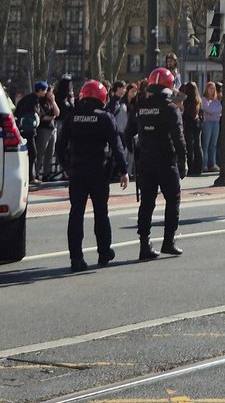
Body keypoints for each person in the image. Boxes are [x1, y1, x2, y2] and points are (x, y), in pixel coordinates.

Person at [57, 79, 129, 272]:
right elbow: (117, 147)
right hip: (99, 170)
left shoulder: (73, 116)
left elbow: (60, 146)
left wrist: (66, 166)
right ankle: (104, 252)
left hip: (77, 171)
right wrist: (123, 171)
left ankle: (76, 258)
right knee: (101, 213)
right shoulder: (105, 118)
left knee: (76, 214)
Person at [131, 67, 187, 260]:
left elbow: (129, 132)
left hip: (146, 160)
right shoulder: (171, 108)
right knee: (173, 200)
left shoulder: (142, 106)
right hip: (166, 160)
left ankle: (144, 245)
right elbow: (178, 137)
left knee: (147, 203)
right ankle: (168, 241)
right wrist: (183, 159)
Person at [34, 82, 60, 182]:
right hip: (43, 129)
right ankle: (36, 173)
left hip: (52, 128)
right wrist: (51, 117)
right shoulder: (40, 101)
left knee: (50, 151)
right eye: (50, 92)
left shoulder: (50, 101)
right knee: (41, 151)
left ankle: (47, 173)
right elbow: (43, 117)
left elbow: (57, 113)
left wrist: (53, 101)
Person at [180, 81, 203, 176]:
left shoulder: (186, 100)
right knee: (198, 145)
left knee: (189, 146)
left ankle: (191, 167)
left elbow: (183, 112)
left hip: (188, 123)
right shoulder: (198, 100)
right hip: (197, 123)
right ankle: (199, 167)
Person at [200, 80, 222, 171]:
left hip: (216, 122)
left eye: (213, 89)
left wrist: (214, 110)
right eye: (210, 88)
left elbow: (220, 109)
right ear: (207, 89)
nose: (212, 91)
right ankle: (204, 164)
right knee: (206, 143)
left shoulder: (216, 100)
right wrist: (214, 110)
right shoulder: (203, 99)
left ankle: (212, 163)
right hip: (207, 123)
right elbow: (208, 109)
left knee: (213, 144)